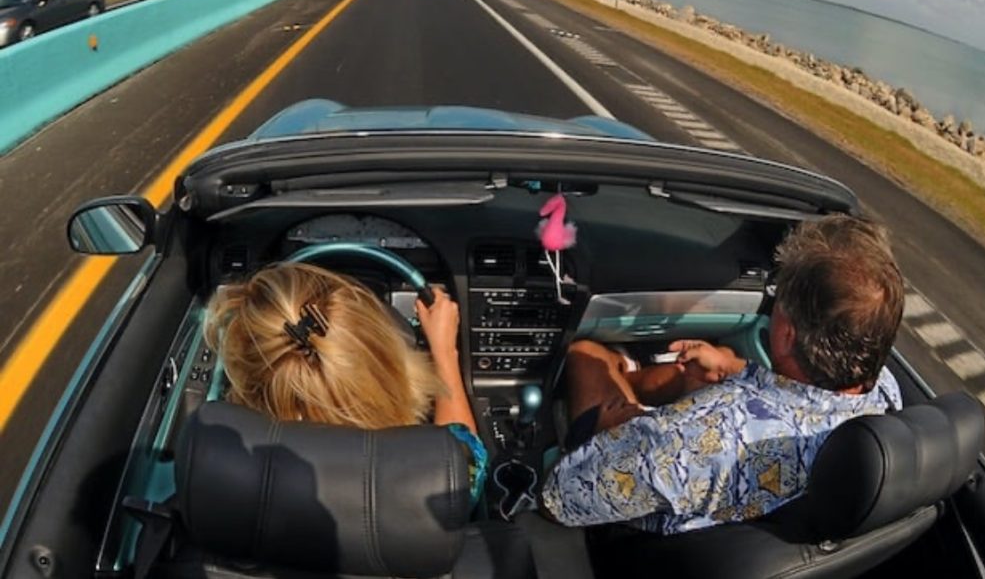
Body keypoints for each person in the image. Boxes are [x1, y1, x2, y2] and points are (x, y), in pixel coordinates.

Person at [541, 214, 905, 534]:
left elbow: (560, 499)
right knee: (697, 377)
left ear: (788, 333)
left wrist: (621, 435)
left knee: (586, 354)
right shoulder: (884, 393)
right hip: (742, 526)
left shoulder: (692, 441)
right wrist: (737, 369)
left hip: (633, 547)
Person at [204, 261, 486, 503]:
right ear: (385, 364)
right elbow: (466, 451)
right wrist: (445, 354)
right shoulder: (441, 479)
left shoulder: (216, 472)